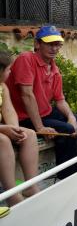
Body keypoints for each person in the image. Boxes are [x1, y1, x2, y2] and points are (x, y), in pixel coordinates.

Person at [7, 25, 77, 179]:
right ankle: (69, 179)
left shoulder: (54, 69)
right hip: (24, 117)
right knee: (67, 131)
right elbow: (26, 95)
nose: (54, 48)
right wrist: (40, 127)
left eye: (57, 44)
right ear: (37, 44)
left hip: (45, 113)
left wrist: (72, 117)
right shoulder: (26, 59)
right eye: (49, 44)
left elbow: (60, 100)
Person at [0, 51, 39, 206]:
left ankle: (31, 186)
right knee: (2, 140)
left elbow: (8, 110)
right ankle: (12, 194)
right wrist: (4, 130)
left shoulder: (3, 88)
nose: (10, 73)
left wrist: (15, 130)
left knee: (28, 134)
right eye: (9, 70)